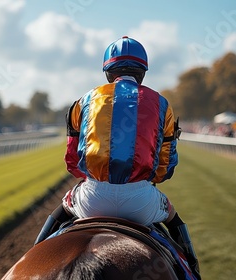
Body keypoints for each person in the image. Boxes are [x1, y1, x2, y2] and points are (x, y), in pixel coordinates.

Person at [34, 36, 200, 279]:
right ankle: (193, 271)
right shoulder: (162, 104)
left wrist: (94, 177)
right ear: (142, 71)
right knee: (173, 218)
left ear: (108, 72)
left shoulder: (83, 101)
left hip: (92, 198)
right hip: (141, 202)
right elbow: (166, 167)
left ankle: (35, 250)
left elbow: (72, 160)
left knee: (60, 212)